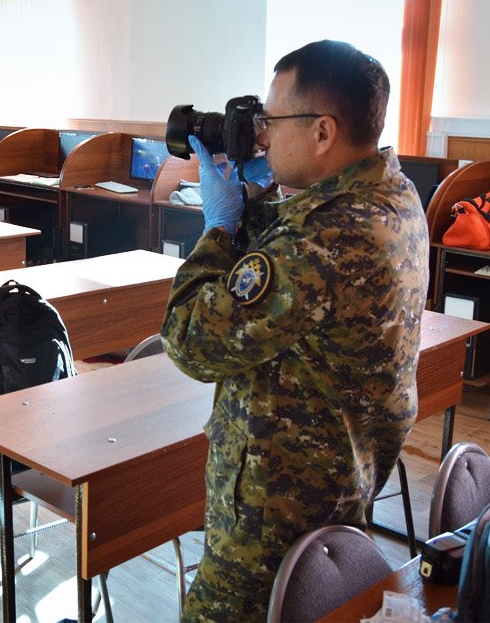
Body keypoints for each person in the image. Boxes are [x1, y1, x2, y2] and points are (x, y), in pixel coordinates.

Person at [161, 40, 429, 621]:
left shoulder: (324, 241)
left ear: (323, 132)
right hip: (341, 480)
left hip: (274, 511)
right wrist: (259, 197)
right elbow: (300, 256)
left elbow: (189, 338)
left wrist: (218, 228)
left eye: (272, 121)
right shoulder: (395, 196)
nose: (261, 136)